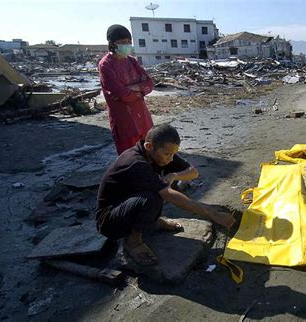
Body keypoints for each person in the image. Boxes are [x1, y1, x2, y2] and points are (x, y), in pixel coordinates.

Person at [96, 124, 235, 265]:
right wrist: (213, 214)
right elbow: (169, 195)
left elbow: (193, 172)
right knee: (154, 196)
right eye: (167, 154)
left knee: (167, 182)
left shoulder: (161, 154)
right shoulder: (135, 162)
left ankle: (154, 221)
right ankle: (133, 241)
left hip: (130, 203)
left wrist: (174, 175)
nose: (170, 159)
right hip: (111, 220)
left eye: (173, 154)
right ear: (149, 146)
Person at [99, 24, 154, 155]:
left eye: (129, 42)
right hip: (124, 120)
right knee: (130, 157)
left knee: (149, 152)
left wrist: (133, 88)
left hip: (143, 117)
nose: (127, 45)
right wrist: (140, 90)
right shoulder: (105, 65)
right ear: (112, 43)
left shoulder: (131, 61)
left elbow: (150, 83)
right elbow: (122, 95)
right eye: (123, 42)